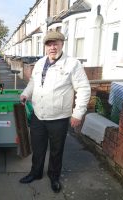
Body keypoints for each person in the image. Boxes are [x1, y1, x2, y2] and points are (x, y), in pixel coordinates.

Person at [19, 31, 91, 193]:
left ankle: (54, 177)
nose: (52, 47)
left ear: (62, 44)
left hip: (59, 117)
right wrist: (25, 93)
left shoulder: (72, 64)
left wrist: (78, 113)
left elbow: (84, 89)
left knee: (56, 150)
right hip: (38, 114)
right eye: (49, 44)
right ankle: (35, 173)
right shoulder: (39, 63)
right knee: (38, 147)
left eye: (55, 43)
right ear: (45, 47)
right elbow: (33, 83)